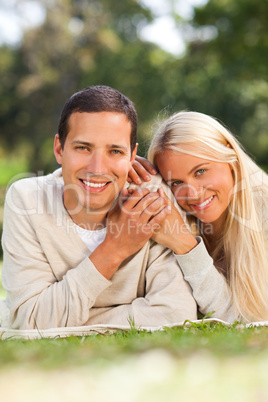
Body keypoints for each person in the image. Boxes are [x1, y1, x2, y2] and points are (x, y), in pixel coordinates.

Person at [0, 86, 197, 330]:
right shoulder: (27, 200)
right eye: (83, 148)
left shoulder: (152, 197)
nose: (98, 168)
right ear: (60, 149)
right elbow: (29, 320)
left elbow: (175, 314)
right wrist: (114, 249)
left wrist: (64, 316)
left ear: (132, 155)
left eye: (115, 151)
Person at [128, 111, 268, 323]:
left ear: (229, 157)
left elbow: (245, 320)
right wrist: (120, 168)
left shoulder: (262, 212)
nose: (192, 193)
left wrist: (186, 245)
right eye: (176, 182)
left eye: (200, 171)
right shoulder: (171, 214)